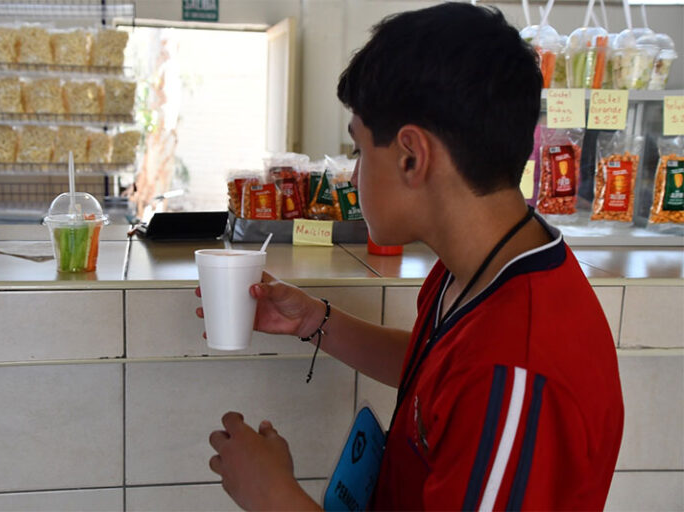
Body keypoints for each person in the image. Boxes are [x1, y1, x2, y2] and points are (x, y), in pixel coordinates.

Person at [197, 3, 624, 510]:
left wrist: (274, 496)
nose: (354, 178)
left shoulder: (517, 377)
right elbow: (438, 376)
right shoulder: (478, 265)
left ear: (411, 157)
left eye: (358, 150)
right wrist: (316, 321)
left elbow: (478, 382)